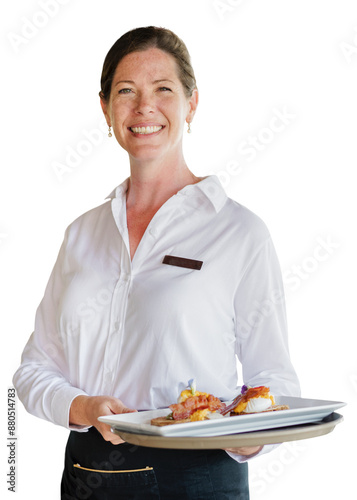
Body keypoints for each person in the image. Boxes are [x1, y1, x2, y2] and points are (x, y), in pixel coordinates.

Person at [13, 26, 300, 499]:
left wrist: (252, 437)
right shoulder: (82, 234)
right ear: (105, 109)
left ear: (192, 103)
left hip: (198, 478)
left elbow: (273, 378)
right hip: (88, 475)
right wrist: (84, 408)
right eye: (126, 91)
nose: (144, 106)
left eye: (163, 89)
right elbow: (33, 371)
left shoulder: (239, 233)